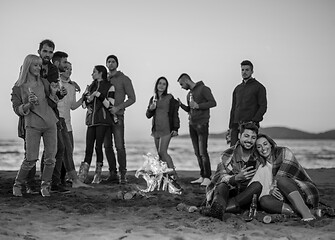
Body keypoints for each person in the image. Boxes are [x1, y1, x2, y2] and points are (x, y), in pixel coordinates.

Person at [11, 54, 58, 197]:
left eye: (39, 65)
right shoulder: (18, 87)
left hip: (50, 122)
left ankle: (45, 186)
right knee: (31, 158)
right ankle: (17, 185)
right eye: (35, 65)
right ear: (28, 66)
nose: (39, 67)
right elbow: (17, 109)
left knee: (50, 159)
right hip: (32, 125)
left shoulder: (44, 82)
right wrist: (29, 105)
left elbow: (53, 100)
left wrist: (55, 93)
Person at [201, 122, 262, 220]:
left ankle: (219, 209)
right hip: (228, 192)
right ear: (239, 136)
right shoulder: (227, 154)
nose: (249, 140)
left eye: (253, 138)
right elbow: (221, 176)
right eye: (246, 136)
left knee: (257, 186)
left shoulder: (259, 155)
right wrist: (236, 178)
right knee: (222, 185)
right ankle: (224, 208)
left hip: (245, 196)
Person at [252, 134, 319, 221]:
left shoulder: (283, 152)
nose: (263, 148)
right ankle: (304, 212)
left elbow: (282, 174)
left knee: (282, 181)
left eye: (265, 144)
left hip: (303, 192)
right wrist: (271, 191)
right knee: (264, 201)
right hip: (285, 197)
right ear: (257, 150)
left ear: (271, 144)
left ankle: (307, 213)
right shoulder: (262, 166)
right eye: (259, 147)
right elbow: (261, 186)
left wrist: (274, 186)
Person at [78, 65, 116, 184]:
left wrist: (99, 95)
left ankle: (97, 174)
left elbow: (109, 105)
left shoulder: (110, 87)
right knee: (88, 147)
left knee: (98, 147)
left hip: (103, 121)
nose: (92, 74)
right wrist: (88, 97)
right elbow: (84, 105)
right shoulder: (90, 86)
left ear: (100, 73)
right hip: (91, 121)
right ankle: (83, 174)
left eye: (94, 72)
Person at [177, 73, 216, 187]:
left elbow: (213, 103)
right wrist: (181, 105)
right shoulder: (189, 94)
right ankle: (202, 176)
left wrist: (198, 105)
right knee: (197, 152)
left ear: (187, 81)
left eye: (182, 84)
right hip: (192, 125)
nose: (181, 87)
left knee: (203, 152)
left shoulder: (204, 89)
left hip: (202, 124)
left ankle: (208, 177)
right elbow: (190, 109)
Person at [56, 62, 91, 188]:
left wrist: (83, 98)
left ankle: (65, 179)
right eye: (66, 69)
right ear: (60, 70)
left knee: (68, 151)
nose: (69, 71)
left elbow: (73, 106)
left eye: (71, 69)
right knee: (62, 151)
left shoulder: (71, 87)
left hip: (68, 123)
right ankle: (73, 180)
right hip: (57, 121)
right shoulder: (56, 83)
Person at [103, 55, 136, 184]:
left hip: (118, 116)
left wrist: (118, 108)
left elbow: (132, 98)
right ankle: (112, 173)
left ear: (117, 64)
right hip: (105, 117)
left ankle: (123, 174)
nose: (111, 64)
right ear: (106, 64)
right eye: (109, 62)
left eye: (113, 62)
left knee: (120, 146)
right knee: (107, 146)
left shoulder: (124, 79)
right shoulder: (103, 79)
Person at [146, 76, 181, 188]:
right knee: (160, 156)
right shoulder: (153, 98)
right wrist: (151, 108)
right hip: (156, 129)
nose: (161, 85)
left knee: (163, 152)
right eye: (160, 83)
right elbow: (148, 115)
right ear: (156, 85)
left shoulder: (170, 98)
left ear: (166, 87)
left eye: (164, 84)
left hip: (167, 128)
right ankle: (165, 178)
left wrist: (176, 128)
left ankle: (173, 174)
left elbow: (175, 114)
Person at [228, 60, 267, 146]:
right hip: (236, 126)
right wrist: (230, 127)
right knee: (234, 152)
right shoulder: (237, 89)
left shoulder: (259, 87)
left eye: (247, 70)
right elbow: (233, 108)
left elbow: (263, 106)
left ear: (252, 71)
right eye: (242, 70)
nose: (244, 72)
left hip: (250, 126)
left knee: (249, 152)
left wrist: (254, 121)